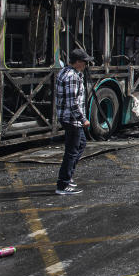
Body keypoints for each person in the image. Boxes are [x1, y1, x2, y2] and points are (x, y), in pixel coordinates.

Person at [55, 48, 92, 195]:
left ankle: (68, 176)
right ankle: (63, 185)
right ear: (77, 62)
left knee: (81, 144)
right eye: (84, 62)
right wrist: (83, 119)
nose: (85, 65)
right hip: (72, 119)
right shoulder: (72, 77)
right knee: (71, 152)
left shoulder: (64, 71)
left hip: (68, 118)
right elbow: (72, 103)